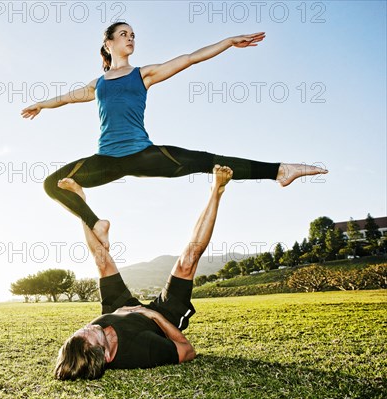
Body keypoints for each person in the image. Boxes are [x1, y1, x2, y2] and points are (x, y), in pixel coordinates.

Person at [20, 22, 328, 251]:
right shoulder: (97, 84)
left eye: (133, 35)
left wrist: (229, 42)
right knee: (52, 184)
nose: (131, 38)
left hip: (144, 154)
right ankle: (96, 223)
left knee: (208, 161)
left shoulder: (144, 74)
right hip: (106, 161)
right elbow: (67, 97)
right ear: (108, 43)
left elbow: (190, 58)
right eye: (124, 34)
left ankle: (280, 171)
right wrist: (41, 105)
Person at [53, 164, 234, 380]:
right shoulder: (141, 351)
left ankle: (81, 204)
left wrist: (122, 312)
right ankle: (217, 189)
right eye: (88, 334)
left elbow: (89, 335)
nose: (86, 327)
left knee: (102, 262)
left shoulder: (91, 335)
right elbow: (188, 350)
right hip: (158, 321)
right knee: (188, 260)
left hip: (120, 308)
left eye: (79, 332)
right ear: (105, 355)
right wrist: (153, 315)